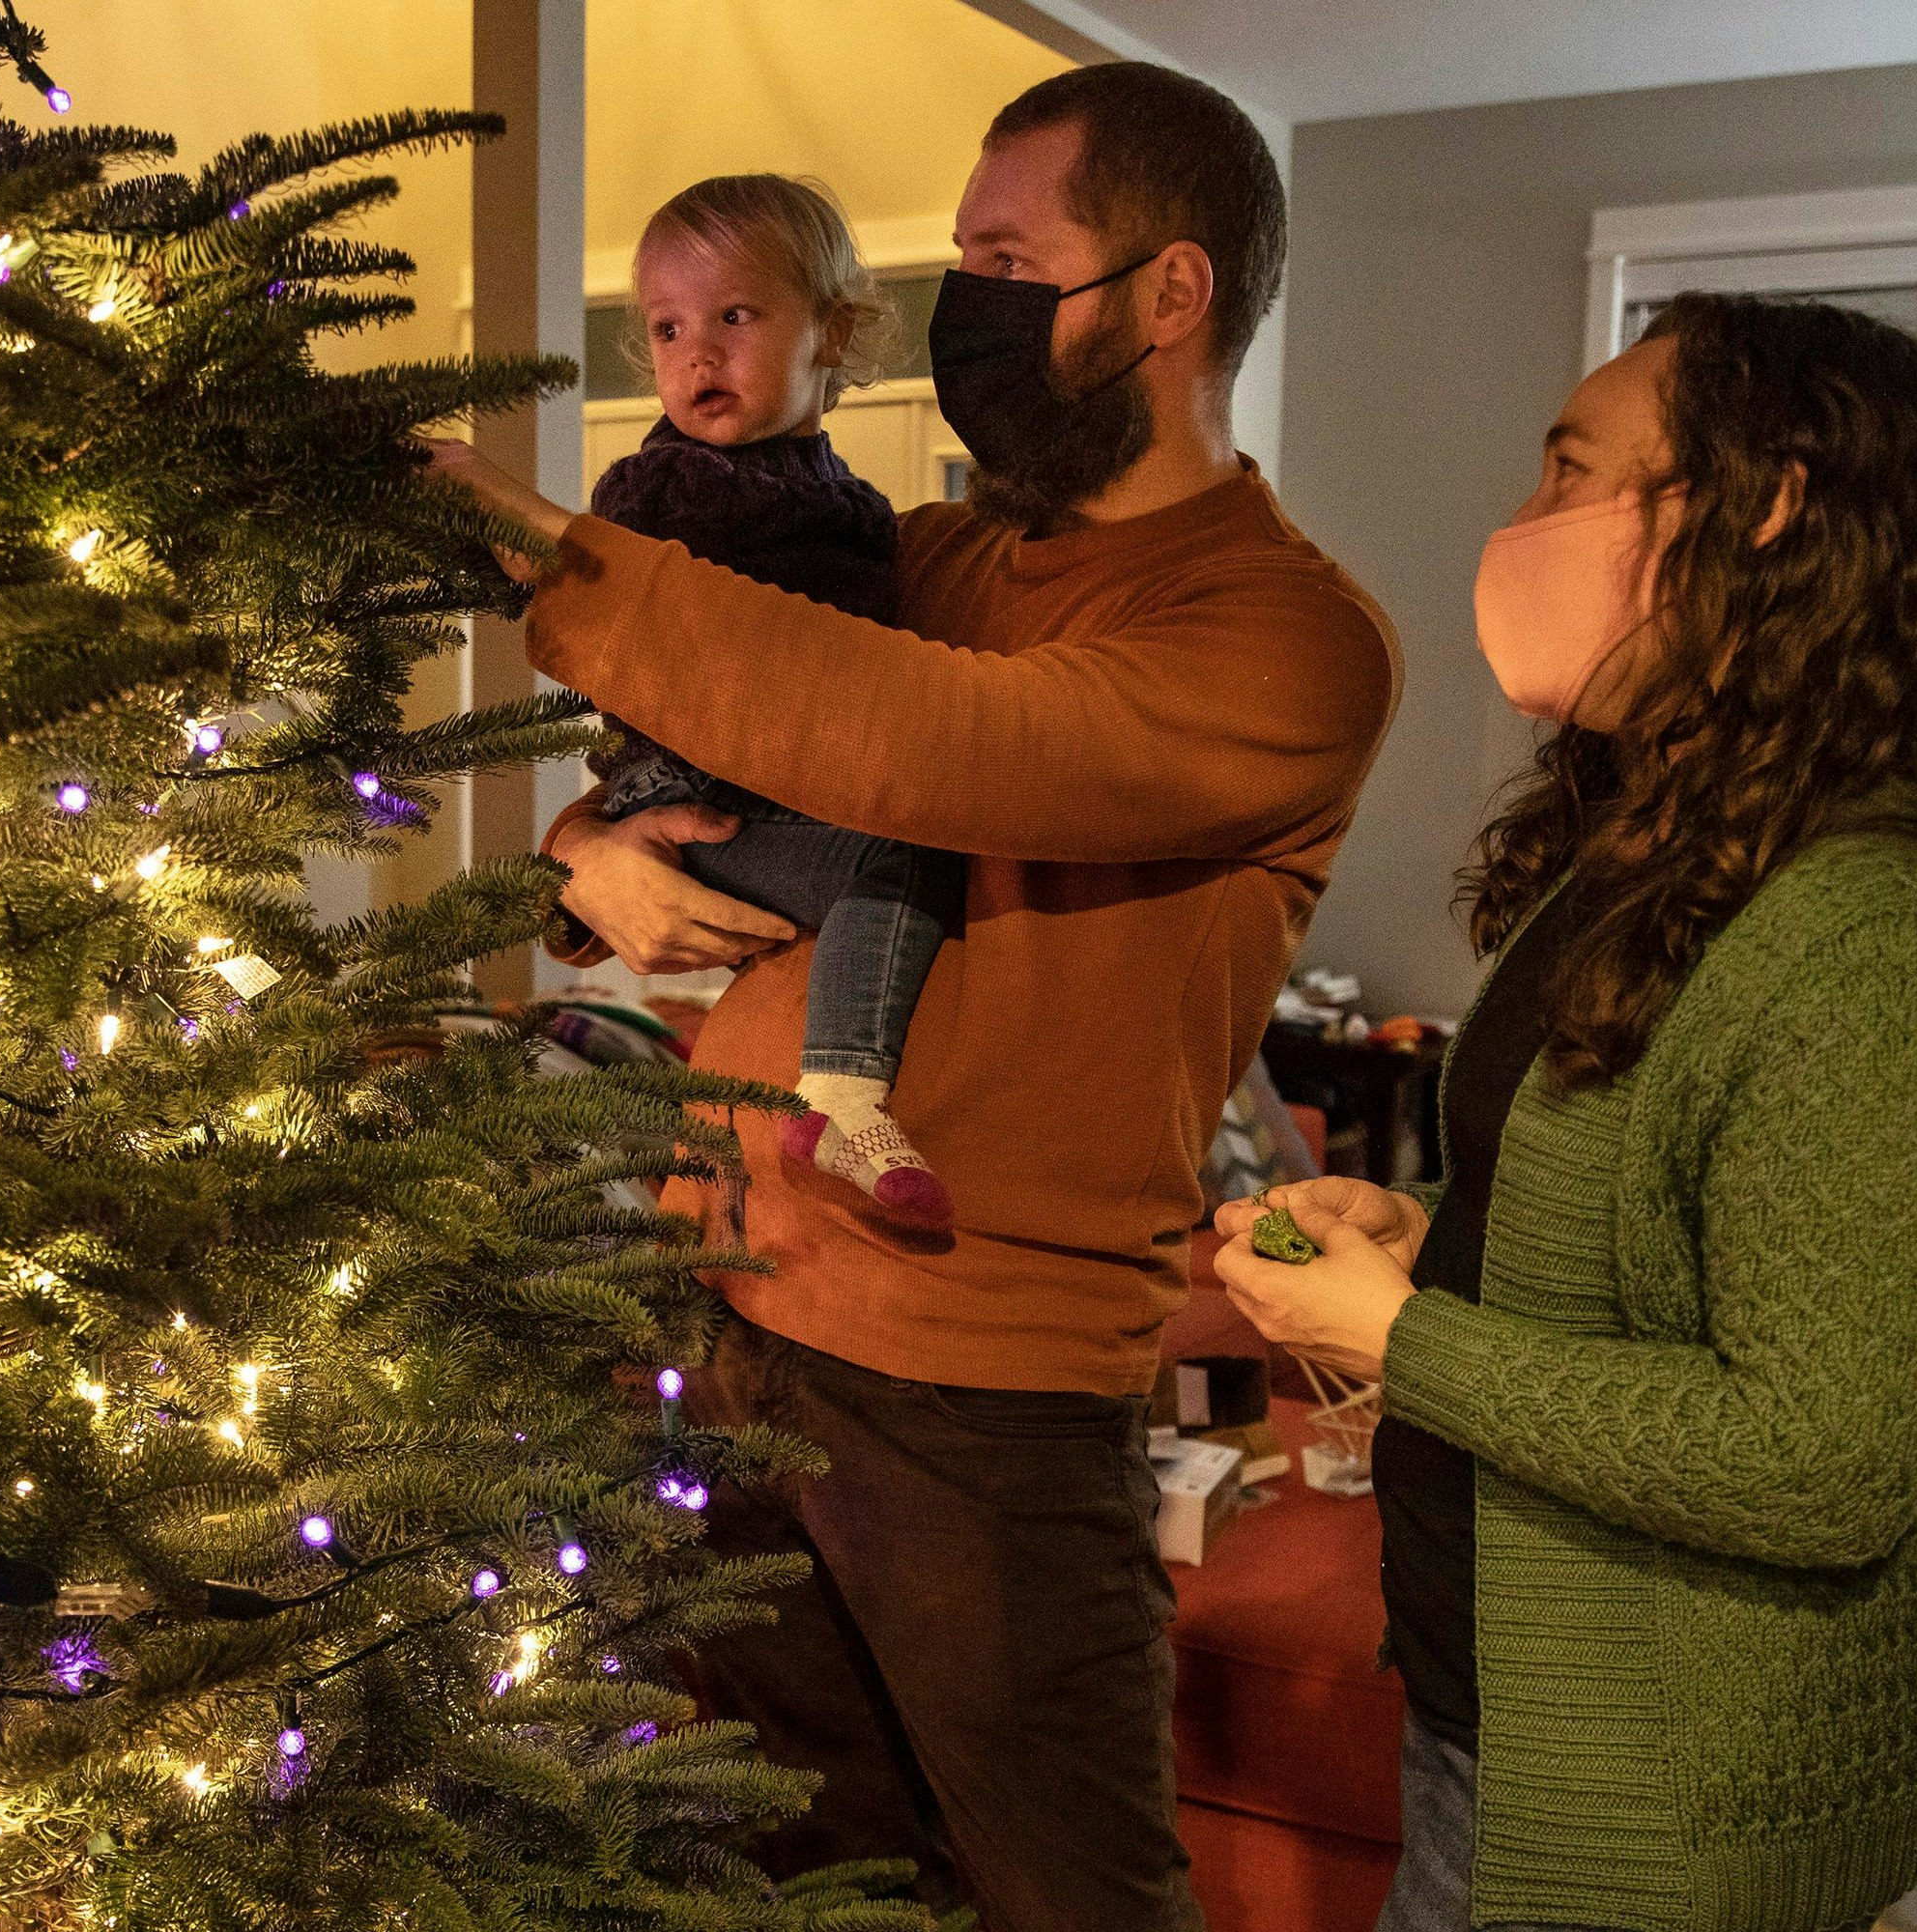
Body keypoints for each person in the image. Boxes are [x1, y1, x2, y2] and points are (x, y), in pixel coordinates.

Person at [431, 62, 1399, 1932]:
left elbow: (911, 738)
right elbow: (714, 732)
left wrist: (509, 531)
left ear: (1164, 295)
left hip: (985, 1378)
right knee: (796, 1857)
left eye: (1001, 256)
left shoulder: (1275, 633)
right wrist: (584, 862)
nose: (964, 299)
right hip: (741, 1297)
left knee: (1060, 1890)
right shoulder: (931, 558)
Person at [1214, 291, 1917, 1932]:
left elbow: (1830, 1459)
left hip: (1665, 1795)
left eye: (1573, 478)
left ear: (1769, 507)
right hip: (1500, 1710)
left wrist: (1410, 1341)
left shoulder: (1893, 947)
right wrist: (1432, 1245)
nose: (1526, 529)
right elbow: (1638, 1243)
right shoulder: (1656, 859)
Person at [577, 173, 968, 1232]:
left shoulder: (852, 506)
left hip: (788, 785)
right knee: (901, 853)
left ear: (833, 331)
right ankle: (843, 1099)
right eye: (666, 328)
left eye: (734, 316)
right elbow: (623, 643)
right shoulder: (661, 493)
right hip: (697, 789)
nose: (696, 352)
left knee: (901, 848)